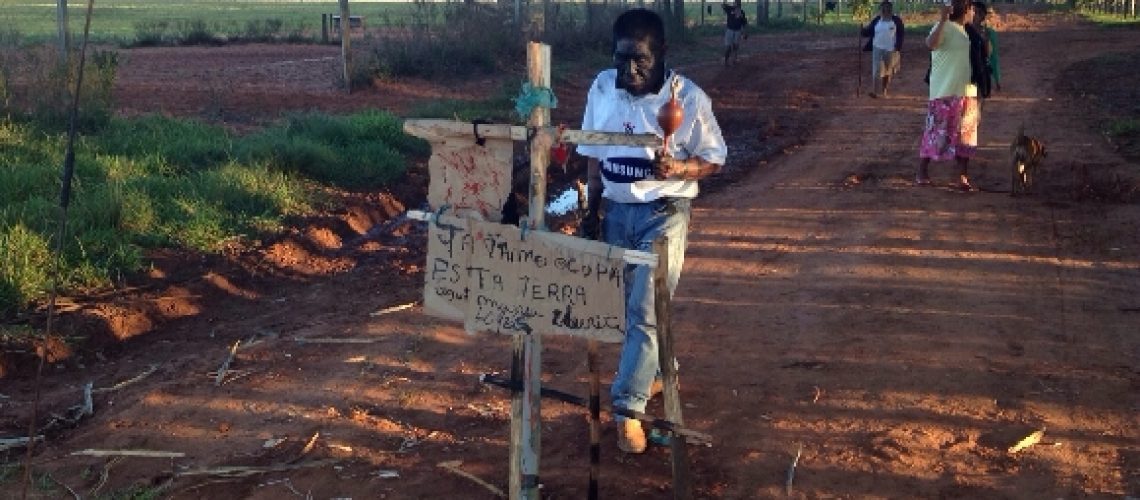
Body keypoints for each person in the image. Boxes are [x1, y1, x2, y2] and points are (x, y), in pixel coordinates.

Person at [576, 8, 727, 454]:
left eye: (640, 59)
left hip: (665, 213)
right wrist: (591, 206)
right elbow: (592, 151)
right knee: (628, 310)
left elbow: (715, 157)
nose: (630, 70)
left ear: (662, 53)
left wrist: (680, 166)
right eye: (621, 58)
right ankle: (661, 371)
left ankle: (627, 409)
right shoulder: (604, 87)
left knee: (644, 309)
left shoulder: (688, 100)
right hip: (617, 213)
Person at [915, 0, 980, 191]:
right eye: (972, 8)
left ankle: (962, 176)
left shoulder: (965, 31)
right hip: (945, 91)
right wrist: (942, 19)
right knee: (936, 133)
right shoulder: (945, 26)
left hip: (965, 91)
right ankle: (922, 171)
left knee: (965, 136)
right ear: (966, 10)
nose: (974, 12)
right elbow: (930, 43)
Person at [861, 0, 905, 98]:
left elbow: (901, 35)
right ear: (880, 9)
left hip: (891, 49)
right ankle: (874, 91)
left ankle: (884, 90)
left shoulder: (896, 21)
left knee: (887, 72)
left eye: (887, 8)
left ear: (890, 9)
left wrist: (898, 48)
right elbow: (868, 32)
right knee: (876, 70)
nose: (885, 10)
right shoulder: (877, 20)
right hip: (877, 48)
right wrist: (862, 30)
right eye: (883, 8)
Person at [972, 1, 1001, 92]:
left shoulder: (989, 33)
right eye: (971, 11)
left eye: (976, 12)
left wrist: (997, 79)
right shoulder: (962, 31)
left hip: (981, 72)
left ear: (982, 16)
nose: (973, 15)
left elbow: (993, 58)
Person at [722, 0, 749, 66]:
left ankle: (734, 59)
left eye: (737, 3)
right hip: (729, 30)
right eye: (734, 2)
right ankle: (726, 60)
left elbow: (744, 23)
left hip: (738, 31)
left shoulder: (742, 12)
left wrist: (745, 32)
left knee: (735, 46)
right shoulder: (729, 9)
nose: (735, 4)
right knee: (728, 47)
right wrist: (724, 2)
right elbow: (723, 5)